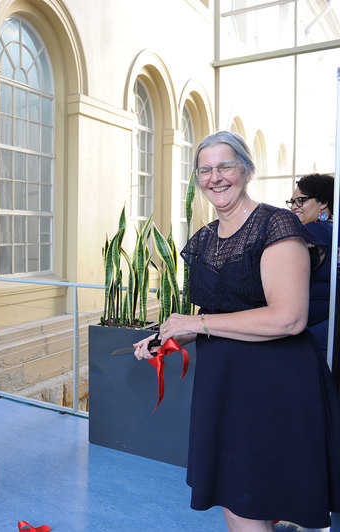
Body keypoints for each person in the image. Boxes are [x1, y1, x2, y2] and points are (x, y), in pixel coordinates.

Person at [133, 131, 340, 531]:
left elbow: (289, 318)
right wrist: (172, 336)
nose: (215, 177)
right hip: (223, 382)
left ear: (245, 170)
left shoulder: (275, 224)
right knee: (235, 498)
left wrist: (196, 322)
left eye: (225, 166)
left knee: (248, 501)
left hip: (273, 384)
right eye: (205, 169)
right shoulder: (205, 239)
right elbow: (218, 314)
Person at [286, 173, 334, 359]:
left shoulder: (314, 229)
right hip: (326, 324)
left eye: (301, 201)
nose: (294, 207)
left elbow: (292, 267)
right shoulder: (332, 228)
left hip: (315, 329)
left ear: (322, 203)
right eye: (291, 202)